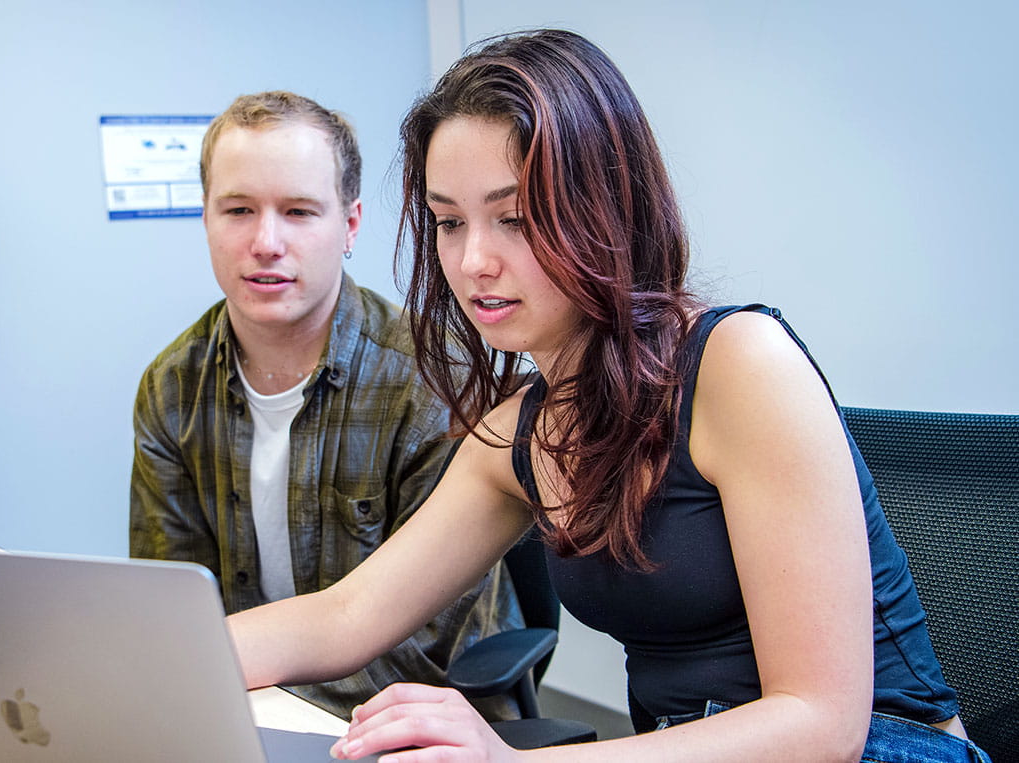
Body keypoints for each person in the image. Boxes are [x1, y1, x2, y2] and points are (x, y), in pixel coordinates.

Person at [228, 31, 988, 762]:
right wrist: (159, 648)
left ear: (607, 207)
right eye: (449, 222)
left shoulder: (739, 364)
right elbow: (350, 613)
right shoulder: (520, 433)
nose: (472, 260)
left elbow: (822, 725)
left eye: (515, 218)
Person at [130, 91, 522, 721]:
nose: (265, 242)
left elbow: (423, 647)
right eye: (238, 210)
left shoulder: (433, 377)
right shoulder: (172, 387)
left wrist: (253, 711)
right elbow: (175, 605)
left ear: (351, 224)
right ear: (204, 217)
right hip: (244, 707)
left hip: (419, 713)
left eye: (299, 211)